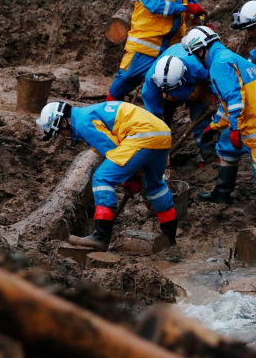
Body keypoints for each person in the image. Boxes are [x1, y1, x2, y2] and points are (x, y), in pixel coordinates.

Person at [182, 26, 256, 225]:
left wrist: (234, 128)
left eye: (196, 55)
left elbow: (235, 100)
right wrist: (215, 127)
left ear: (200, 50)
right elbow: (228, 104)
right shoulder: (227, 57)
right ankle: (222, 193)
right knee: (225, 145)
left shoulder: (219, 64)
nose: (197, 59)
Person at [35, 101, 178, 250]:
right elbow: (124, 157)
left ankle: (101, 236)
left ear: (64, 121)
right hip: (161, 133)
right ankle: (170, 237)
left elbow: (113, 149)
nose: (62, 136)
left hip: (141, 135)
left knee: (102, 177)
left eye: (58, 132)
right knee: (155, 185)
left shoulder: (83, 123)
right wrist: (134, 176)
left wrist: (131, 177)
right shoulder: (88, 113)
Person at [106, 0, 206, 102]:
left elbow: (191, 12)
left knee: (175, 83)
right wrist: (186, 8)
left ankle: (163, 117)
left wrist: (200, 20)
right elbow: (156, 5)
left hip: (173, 45)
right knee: (125, 79)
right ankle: (109, 114)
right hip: (146, 43)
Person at [141, 44, 215, 164]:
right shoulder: (152, 81)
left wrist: (209, 95)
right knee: (160, 122)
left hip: (194, 87)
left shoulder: (199, 67)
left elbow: (217, 83)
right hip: (166, 93)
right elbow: (153, 116)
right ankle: (160, 156)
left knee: (201, 119)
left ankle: (208, 153)